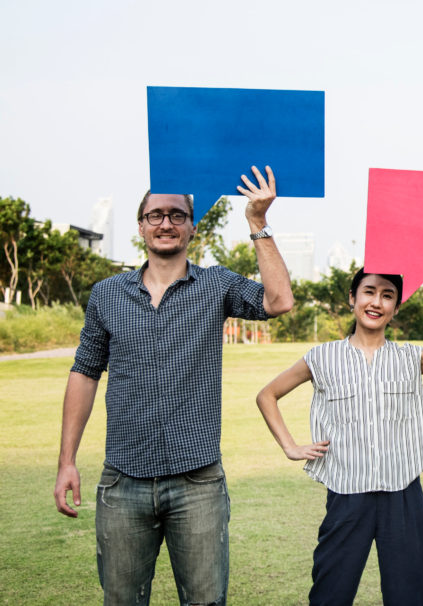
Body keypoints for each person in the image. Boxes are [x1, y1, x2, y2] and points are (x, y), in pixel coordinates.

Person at [53, 166, 294, 605]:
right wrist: (67, 460)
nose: (166, 223)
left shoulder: (216, 285)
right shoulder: (106, 295)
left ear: (192, 227)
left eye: (177, 215)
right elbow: (85, 373)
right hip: (122, 481)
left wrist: (258, 222)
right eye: (156, 215)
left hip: (197, 481)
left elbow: (279, 301)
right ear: (141, 226)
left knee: (205, 601)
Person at [255, 260, 423, 606]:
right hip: (347, 497)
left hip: (404, 497)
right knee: (330, 595)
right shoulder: (322, 357)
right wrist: (290, 446)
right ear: (352, 298)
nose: (377, 302)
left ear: (395, 308)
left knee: (408, 597)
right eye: (369, 292)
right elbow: (267, 395)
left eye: (387, 296)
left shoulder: (411, 358)